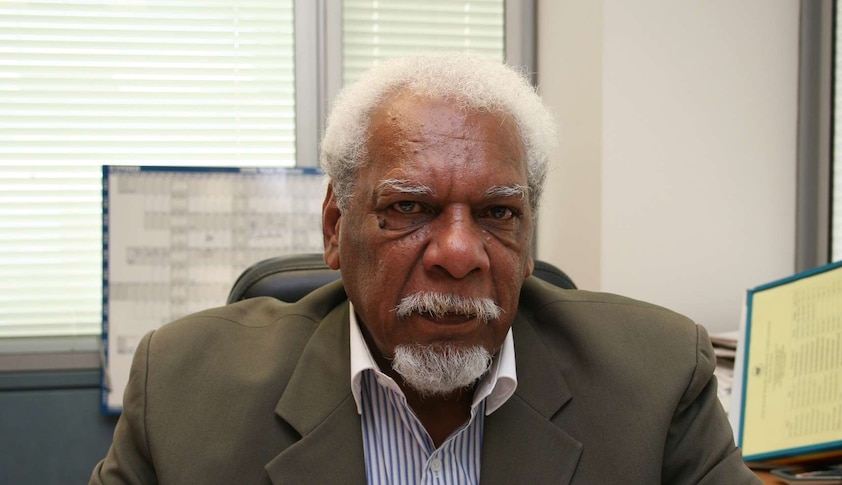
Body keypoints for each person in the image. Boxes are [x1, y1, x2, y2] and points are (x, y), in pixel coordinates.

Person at [90, 53, 759, 484]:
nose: (460, 253)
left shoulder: (658, 380)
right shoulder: (183, 392)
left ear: (528, 243)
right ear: (335, 227)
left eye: (498, 213)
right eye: (409, 207)